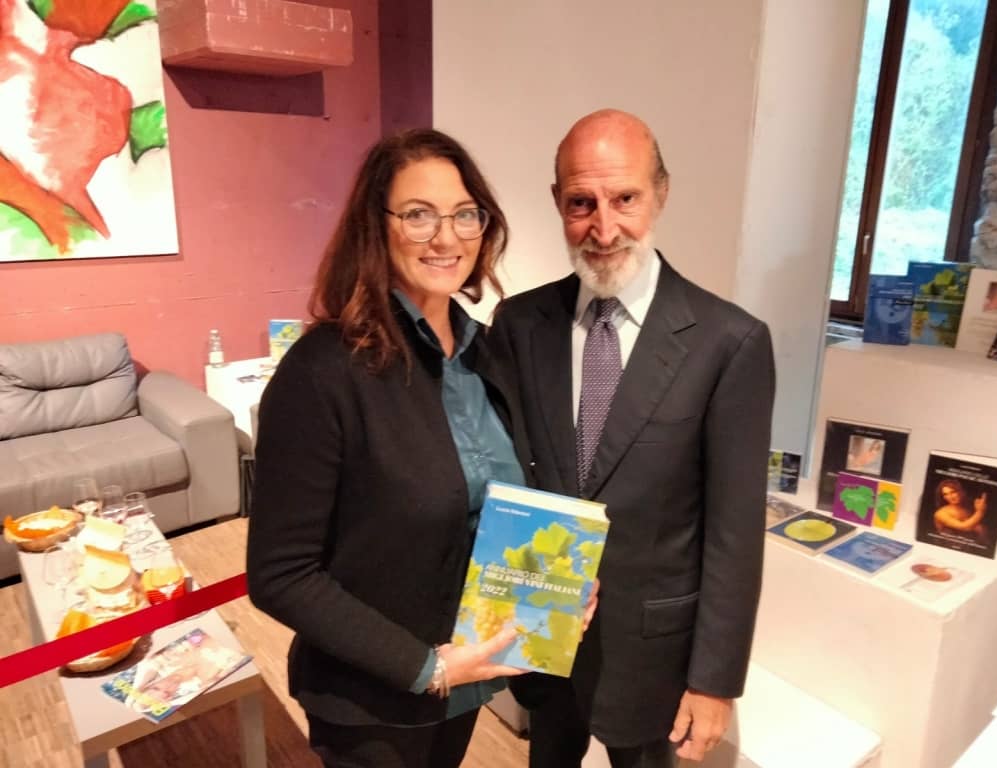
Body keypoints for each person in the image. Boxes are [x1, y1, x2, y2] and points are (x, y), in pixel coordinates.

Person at [491, 109, 776, 767]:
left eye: (625, 199)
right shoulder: (519, 323)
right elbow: (509, 473)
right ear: (557, 202)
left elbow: (734, 534)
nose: (603, 227)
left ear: (661, 194)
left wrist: (715, 681)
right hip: (542, 636)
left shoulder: (728, 342)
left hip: (654, 654)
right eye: (581, 203)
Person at [246, 128, 532, 768]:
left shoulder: (487, 354)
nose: (447, 237)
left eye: (465, 214)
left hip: (467, 678)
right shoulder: (322, 372)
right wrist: (427, 667)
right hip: (372, 701)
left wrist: (558, 587)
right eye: (418, 215)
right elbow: (280, 575)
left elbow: (493, 512)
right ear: (376, 227)